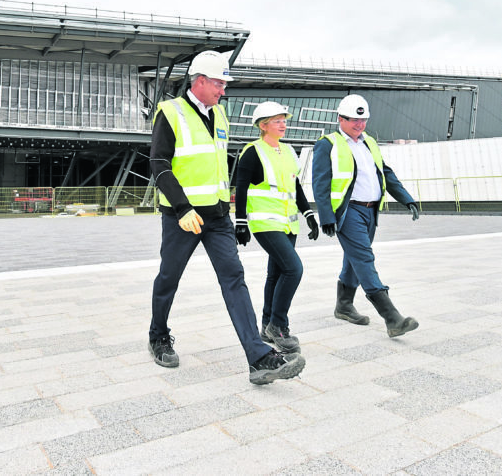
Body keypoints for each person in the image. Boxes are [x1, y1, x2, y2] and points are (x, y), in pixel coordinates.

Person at [149, 51, 305, 384]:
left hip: (217, 216)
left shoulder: (220, 114)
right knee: (169, 277)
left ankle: (259, 358)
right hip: (183, 216)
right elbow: (159, 165)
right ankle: (158, 334)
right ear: (201, 81)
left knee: (234, 277)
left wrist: (233, 214)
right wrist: (181, 207)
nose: (223, 90)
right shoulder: (170, 112)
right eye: (220, 83)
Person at [312, 94, 421, 337]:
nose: (359, 125)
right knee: (364, 257)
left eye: (363, 121)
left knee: (354, 257)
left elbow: (386, 172)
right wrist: (326, 216)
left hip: (371, 211)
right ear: (340, 118)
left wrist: (406, 198)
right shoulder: (327, 144)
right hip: (348, 211)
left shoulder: (369, 142)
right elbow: (320, 183)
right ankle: (391, 317)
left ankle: (344, 305)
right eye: (353, 121)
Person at [234, 101, 319, 354]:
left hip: (288, 223)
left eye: (284, 119)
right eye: (277, 120)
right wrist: (240, 222)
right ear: (263, 126)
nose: (283, 124)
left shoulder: (289, 151)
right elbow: (241, 188)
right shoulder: (252, 151)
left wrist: (308, 214)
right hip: (264, 222)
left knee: (278, 273)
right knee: (294, 269)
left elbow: (296, 186)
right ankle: (279, 325)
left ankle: (266, 324)